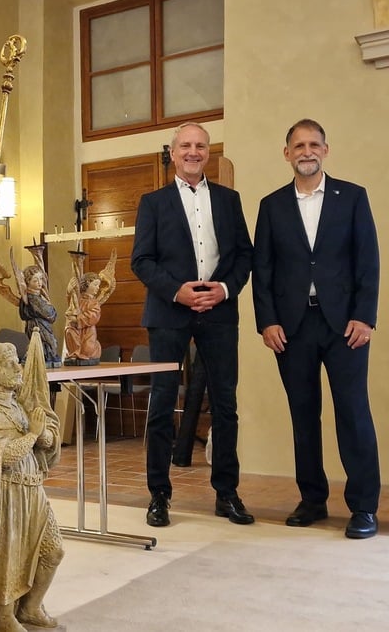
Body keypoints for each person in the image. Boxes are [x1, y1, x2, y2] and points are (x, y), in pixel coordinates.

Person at [252, 119, 380, 539]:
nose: (306, 151)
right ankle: (312, 499)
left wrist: (365, 316)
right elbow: (263, 269)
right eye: (298, 145)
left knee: (353, 413)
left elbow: (368, 261)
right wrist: (267, 321)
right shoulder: (271, 206)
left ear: (325, 150)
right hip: (292, 326)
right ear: (286, 153)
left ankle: (363, 507)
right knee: (303, 415)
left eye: (314, 144)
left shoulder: (353, 198)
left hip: (345, 325)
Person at [130, 122, 254, 527]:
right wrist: (177, 292)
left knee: (225, 404)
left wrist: (224, 289)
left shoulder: (229, 199)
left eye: (200, 146)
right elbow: (141, 261)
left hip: (218, 310)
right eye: (186, 145)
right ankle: (159, 495)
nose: (193, 152)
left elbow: (243, 256)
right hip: (169, 310)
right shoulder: (153, 202)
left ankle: (227, 493)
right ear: (173, 153)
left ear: (208, 152)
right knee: (162, 403)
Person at [0, 333, 63, 632]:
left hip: (33, 490)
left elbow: (43, 441)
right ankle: (3, 616)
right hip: (5, 494)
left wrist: (43, 436)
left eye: (19, 363)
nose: (19, 369)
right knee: (7, 558)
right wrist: (32, 434)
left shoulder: (18, 406)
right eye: (11, 364)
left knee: (53, 551)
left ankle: (30, 608)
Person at [62, 251, 116, 366]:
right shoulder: (78, 298)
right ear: (86, 284)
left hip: (87, 331)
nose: (97, 288)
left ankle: (85, 352)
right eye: (95, 285)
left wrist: (79, 318)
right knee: (69, 330)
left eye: (98, 285)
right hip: (76, 329)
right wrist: (69, 291)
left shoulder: (94, 303)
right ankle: (74, 353)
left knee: (87, 348)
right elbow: (71, 304)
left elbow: (94, 316)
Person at [18, 266, 61, 368]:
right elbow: (49, 313)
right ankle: (41, 358)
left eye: (41, 279)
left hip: (40, 324)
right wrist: (50, 307)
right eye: (35, 280)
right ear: (28, 282)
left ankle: (43, 357)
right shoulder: (33, 298)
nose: (39, 282)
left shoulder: (36, 296)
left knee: (47, 344)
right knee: (46, 343)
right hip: (38, 325)